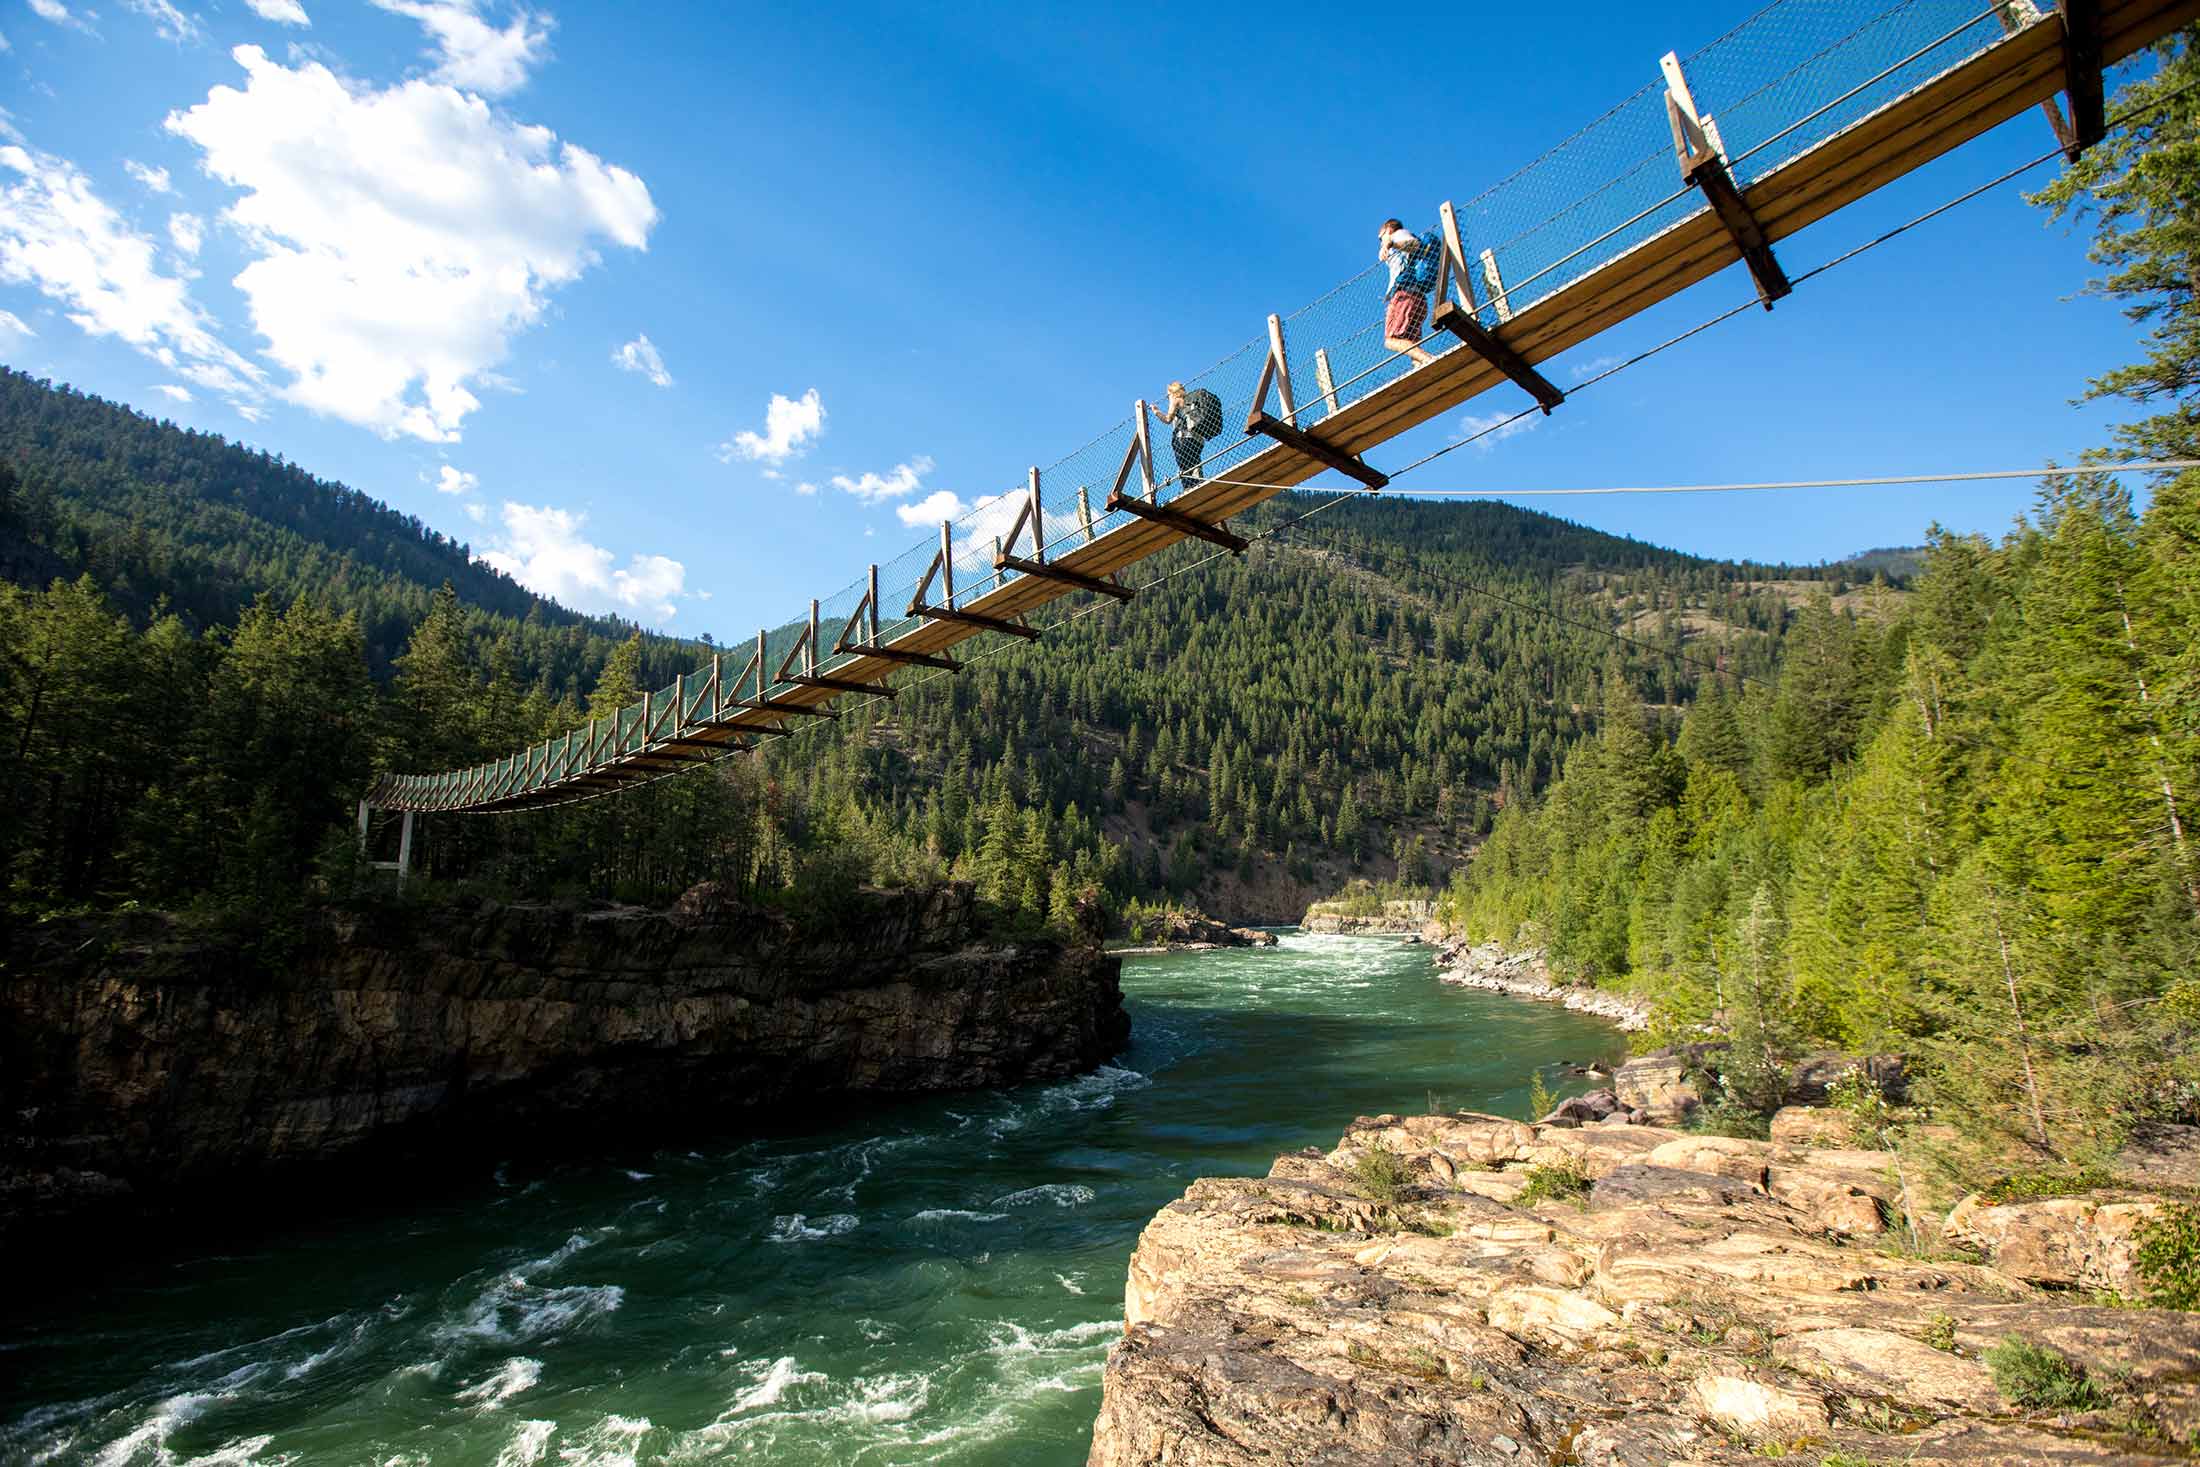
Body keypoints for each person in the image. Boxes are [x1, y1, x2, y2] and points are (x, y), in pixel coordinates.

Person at [1378, 218, 1436, 367]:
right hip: (1418, 298)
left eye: (1380, 237)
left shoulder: (1397, 235)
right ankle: (1421, 365)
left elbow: (1414, 244)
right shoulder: (1395, 243)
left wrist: (1389, 243)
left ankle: (1428, 359)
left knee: (1391, 340)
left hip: (1405, 295)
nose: (1380, 241)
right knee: (1411, 343)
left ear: (1388, 229)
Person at [1155, 380, 1223, 490]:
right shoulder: (1190, 401)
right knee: (1195, 460)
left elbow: (1168, 419)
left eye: (1168, 395)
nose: (1168, 398)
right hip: (1198, 439)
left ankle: (1189, 488)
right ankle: (1199, 482)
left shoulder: (1176, 400)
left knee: (1185, 465)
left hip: (1183, 438)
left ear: (1173, 393)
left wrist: (1156, 412)